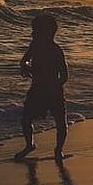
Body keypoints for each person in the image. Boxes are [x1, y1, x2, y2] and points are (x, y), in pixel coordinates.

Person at [14, 13, 69, 161]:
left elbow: (64, 75)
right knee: (26, 118)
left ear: (47, 33)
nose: (32, 34)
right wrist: (25, 66)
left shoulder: (56, 50)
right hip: (37, 89)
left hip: (54, 92)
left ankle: (58, 149)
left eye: (35, 31)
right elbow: (25, 59)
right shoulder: (34, 46)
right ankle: (29, 145)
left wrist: (54, 86)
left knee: (60, 123)